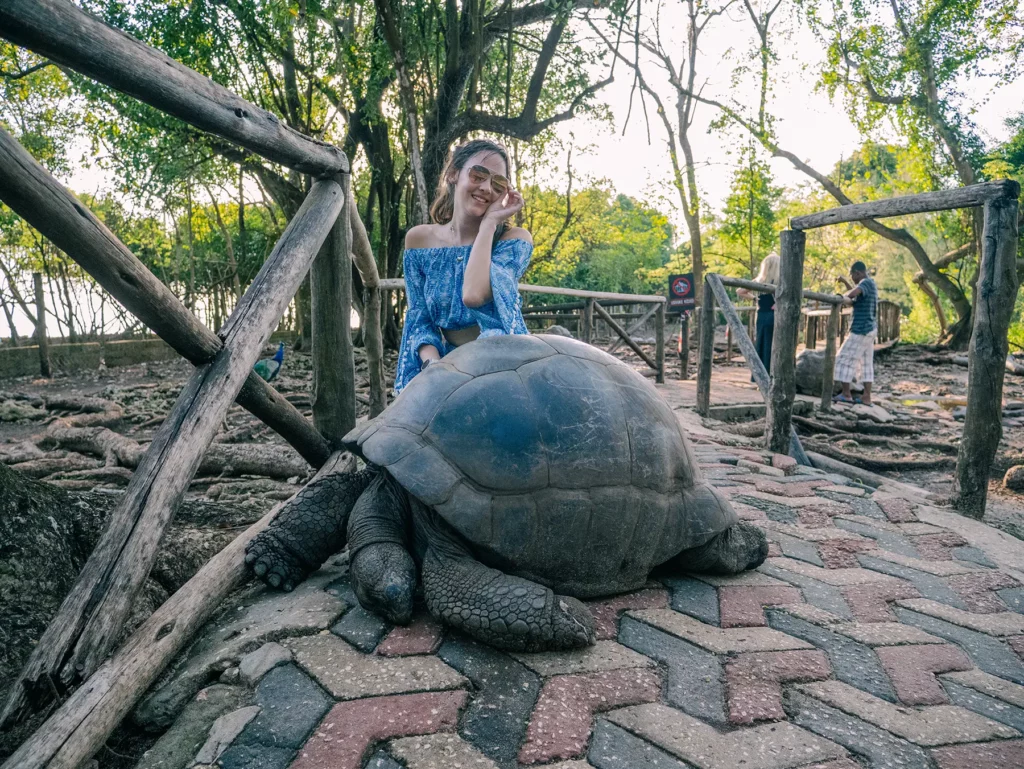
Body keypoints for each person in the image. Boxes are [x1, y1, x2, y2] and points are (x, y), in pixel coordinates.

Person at [394, 139, 533, 393]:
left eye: (497, 183)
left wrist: (490, 223)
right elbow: (419, 319)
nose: (486, 188)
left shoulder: (514, 241)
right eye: (478, 174)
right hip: (440, 362)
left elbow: (473, 295)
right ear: (453, 174)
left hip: (500, 364)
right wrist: (434, 365)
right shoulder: (418, 240)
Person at [832, 260, 878, 405]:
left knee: (843, 358)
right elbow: (855, 291)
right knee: (866, 363)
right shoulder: (870, 284)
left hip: (861, 329)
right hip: (870, 329)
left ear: (857, 273)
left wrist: (842, 296)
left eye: (851, 275)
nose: (852, 278)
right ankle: (866, 397)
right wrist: (846, 282)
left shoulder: (866, 283)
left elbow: (853, 293)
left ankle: (846, 394)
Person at [736, 253, 780, 374]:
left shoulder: (759, 280)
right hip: (775, 316)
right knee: (774, 346)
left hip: (762, 315)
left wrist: (755, 299)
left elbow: (740, 291)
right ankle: (773, 373)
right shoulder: (781, 281)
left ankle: (761, 374)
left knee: (762, 343)